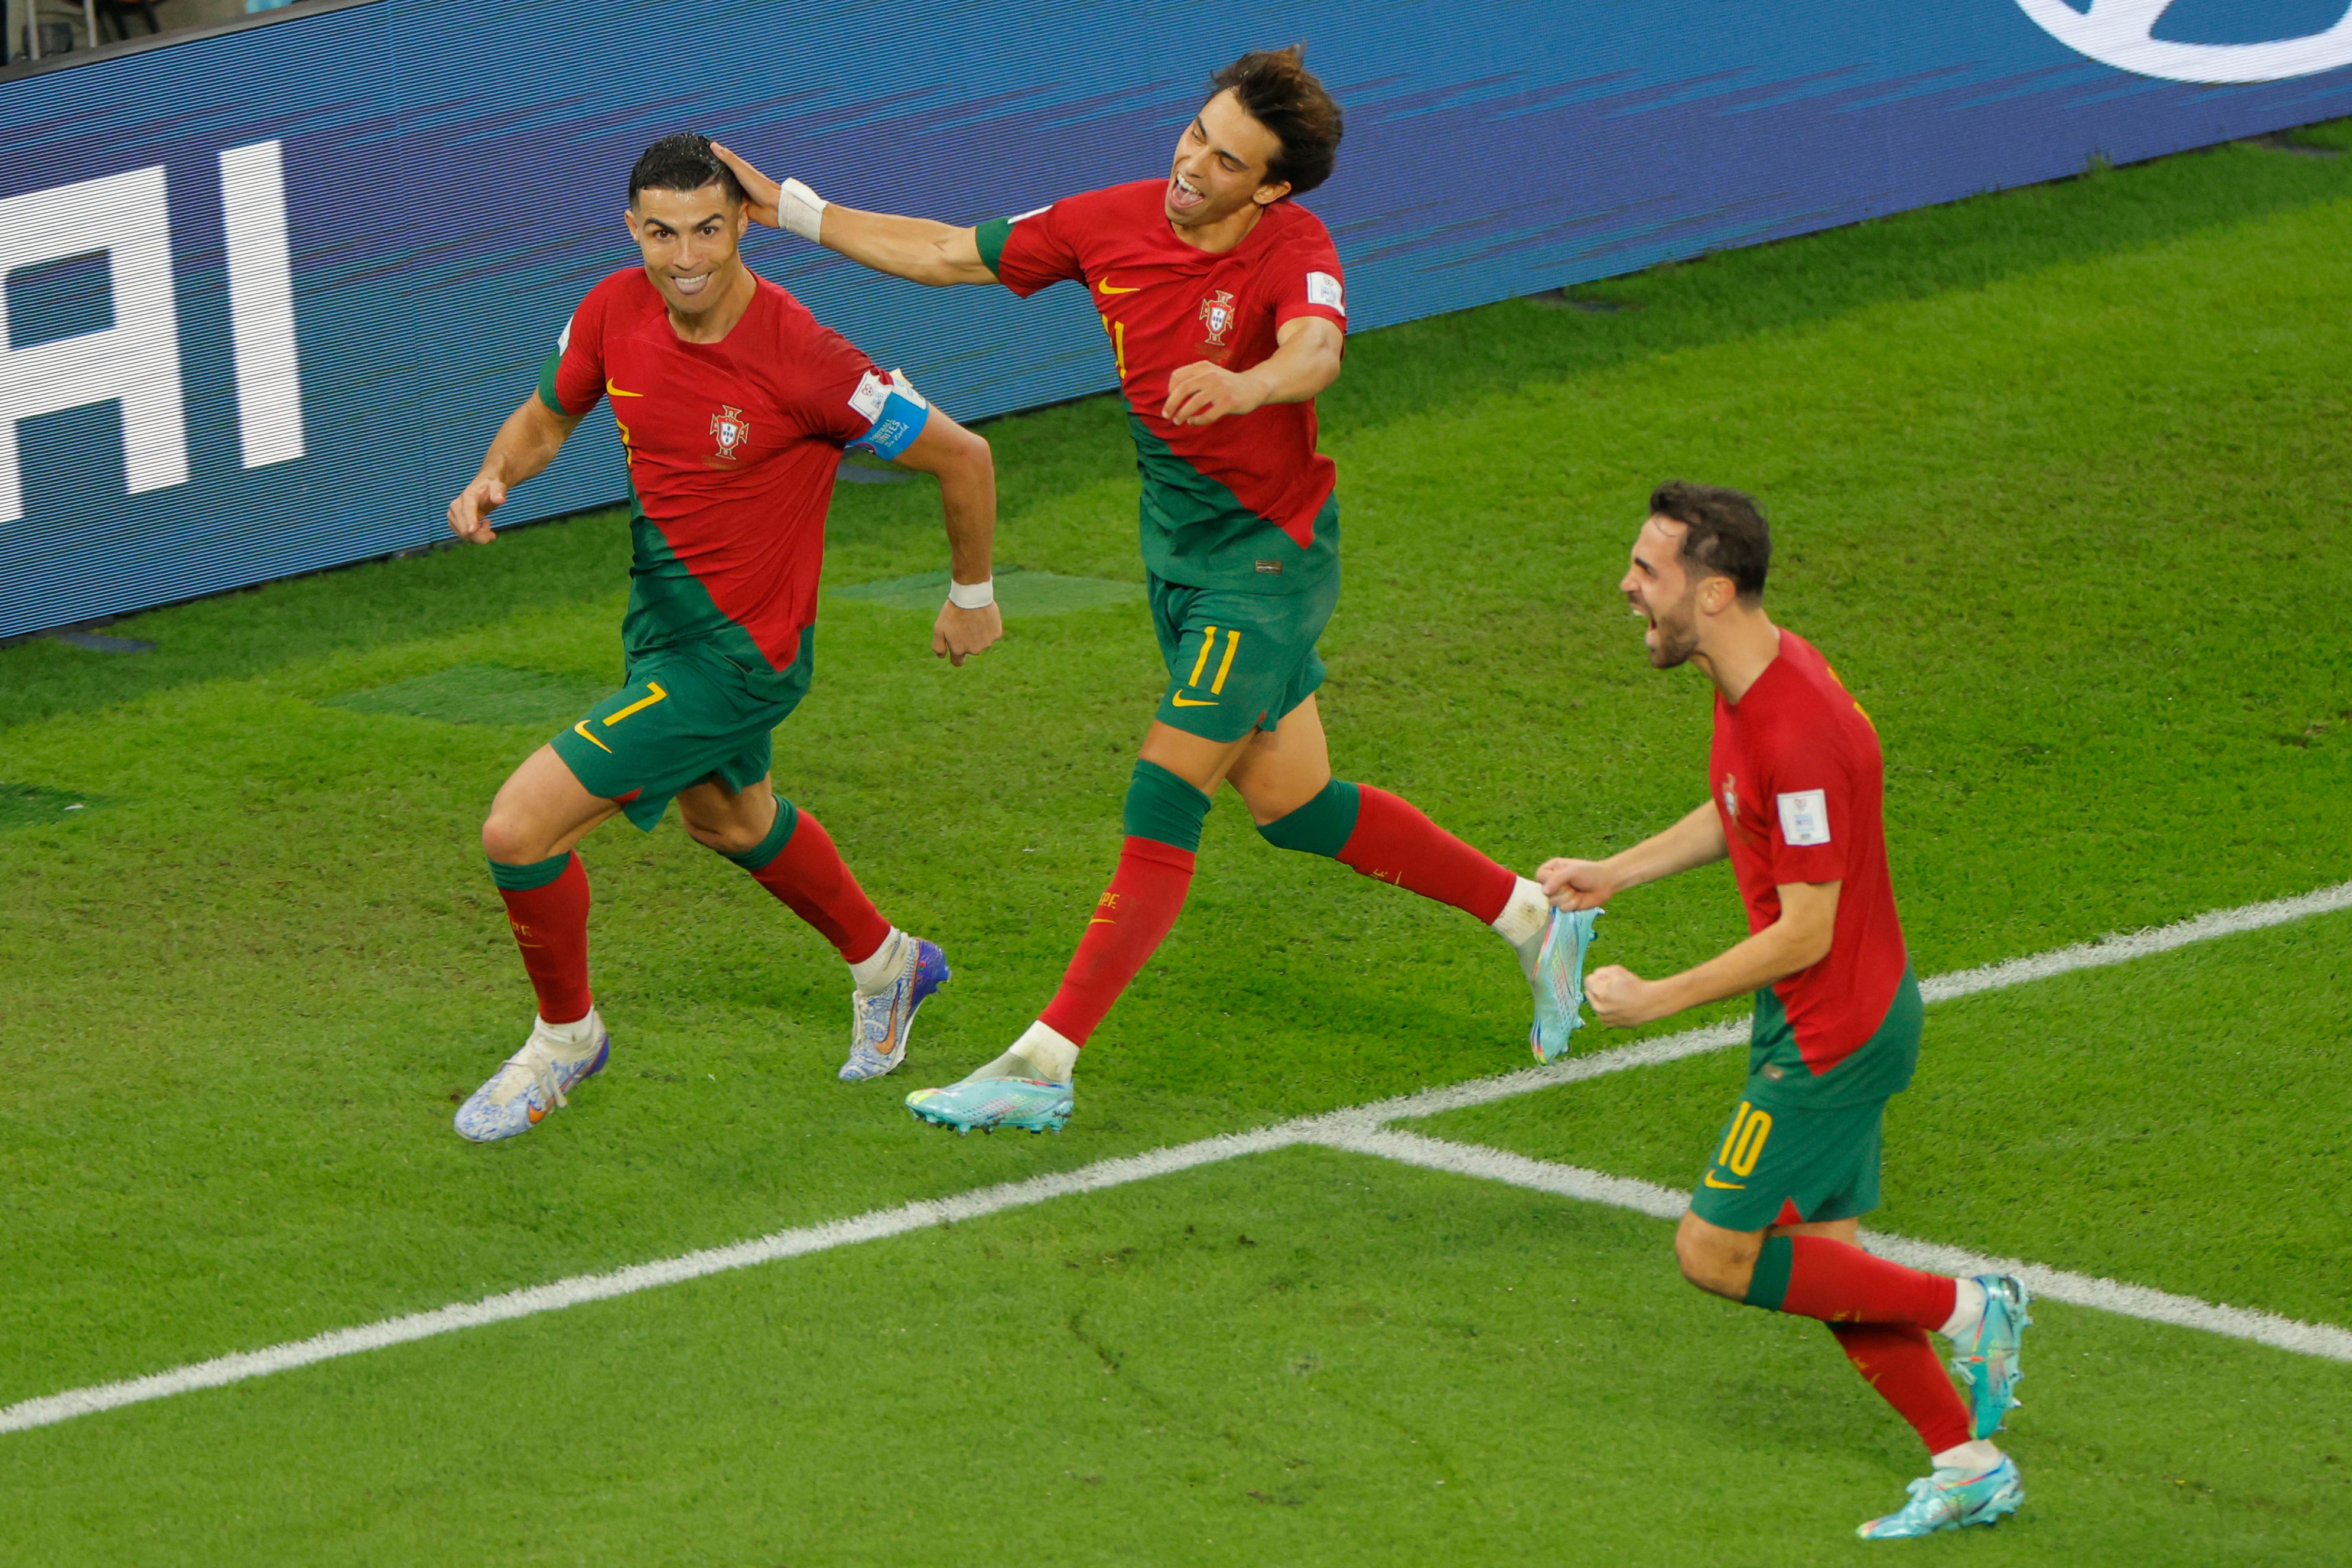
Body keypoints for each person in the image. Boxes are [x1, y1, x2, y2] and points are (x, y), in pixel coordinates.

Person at [714, 47, 1595, 1136]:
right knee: (1293, 804)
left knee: (1164, 793)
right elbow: (950, 254)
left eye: (1226, 161)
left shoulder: (1295, 246)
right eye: (1195, 133)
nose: (1191, 165)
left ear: (1270, 186)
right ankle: (1532, 918)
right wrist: (790, 208)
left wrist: (1246, 382)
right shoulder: (1109, 220)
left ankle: (1043, 1058)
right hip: (1178, 560)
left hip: (1266, 564)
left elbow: (1317, 350)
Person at [441, 134, 1002, 1141]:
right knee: (731, 822)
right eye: (662, 233)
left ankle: (565, 1040)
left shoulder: (809, 360)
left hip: (740, 661)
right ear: (633, 230)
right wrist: (497, 475)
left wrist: (972, 591)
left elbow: (964, 457)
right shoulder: (613, 309)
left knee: (517, 830)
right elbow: (547, 415)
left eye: (708, 229)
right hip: (661, 632)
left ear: (745, 222)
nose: (686, 256)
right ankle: (891, 964)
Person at [1538, 483, 2031, 1539]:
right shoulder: (1756, 679)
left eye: (1648, 572)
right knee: (1830, 1270)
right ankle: (1967, 1458)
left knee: (1715, 1249)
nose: (1627, 588)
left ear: (1711, 591)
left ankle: (1968, 1307)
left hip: (1828, 1031)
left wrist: (1656, 998)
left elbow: (1806, 928)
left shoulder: (1796, 725)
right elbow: (1737, 810)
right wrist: (1615, 872)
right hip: (1831, 1012)